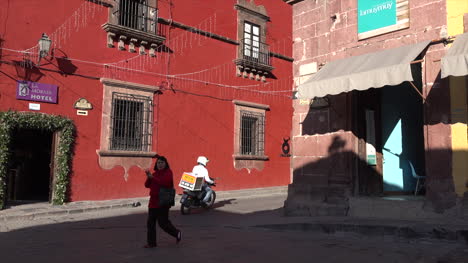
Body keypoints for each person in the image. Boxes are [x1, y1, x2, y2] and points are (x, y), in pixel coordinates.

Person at [144, 155, 181, 248]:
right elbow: (147, 185)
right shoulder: (155, 173)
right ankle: (151, 243)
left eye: (162, 163)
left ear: (165, 164)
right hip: (153, 202)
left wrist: (153, 178)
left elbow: (165, 182)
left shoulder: (168, 172)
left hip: (163, 202)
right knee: (150, 223)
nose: (160, 164)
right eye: (158, 163)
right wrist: (149, 177)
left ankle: (176, 233)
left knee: (163, 223)